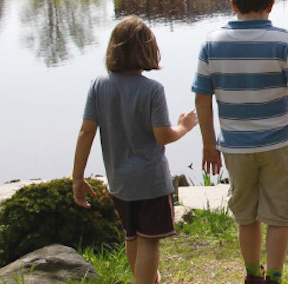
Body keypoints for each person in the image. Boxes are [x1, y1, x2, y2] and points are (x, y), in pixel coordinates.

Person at [192, 0, 288, 284]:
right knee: (280, 215)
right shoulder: (284, 39)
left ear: (232, 3)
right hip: (279, 142)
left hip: (235, 146)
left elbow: (202, 98)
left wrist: (208, 144)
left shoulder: (211, 42)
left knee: (245, 214)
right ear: (272, 4)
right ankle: (275, 276)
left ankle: (253, 274)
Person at [72, 15, 198, 284]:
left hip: (119, 181)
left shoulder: (98, 86)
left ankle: (148, 279)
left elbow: (86, 133)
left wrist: (78, 177)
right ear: (149, 50)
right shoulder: (152, 90)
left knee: (132, 236)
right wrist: (184, 126)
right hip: (150, 182)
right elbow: (163, 136)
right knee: (150, 242)